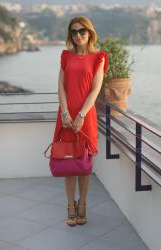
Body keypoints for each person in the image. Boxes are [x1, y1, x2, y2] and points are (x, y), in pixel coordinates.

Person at [52, 16, 108, 226]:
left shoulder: (99, 57)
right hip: (66, 116)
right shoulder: (66, 57)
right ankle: (70, 205)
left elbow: (95, 89)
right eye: (74, 32)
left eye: (82, 31)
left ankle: (82, 203)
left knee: (84, 162)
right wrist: (65, 112)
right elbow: (61, 86)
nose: (78, 35)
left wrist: (82, 115)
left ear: (90, 33)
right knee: (68, 159)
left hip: (86, 116)